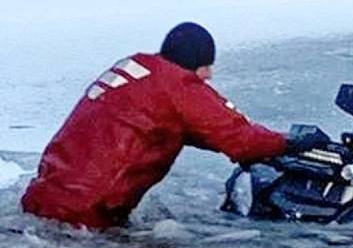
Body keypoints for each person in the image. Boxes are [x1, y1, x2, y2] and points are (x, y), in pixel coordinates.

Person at [22, 22, 291, 230]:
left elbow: (181, 125)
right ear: (192, 62)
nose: (209, 74)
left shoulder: (138, 67)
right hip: (86, 214)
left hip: (44, 197)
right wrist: (289, 142)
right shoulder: (177, 86)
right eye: (206, 65)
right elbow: (239, 139)